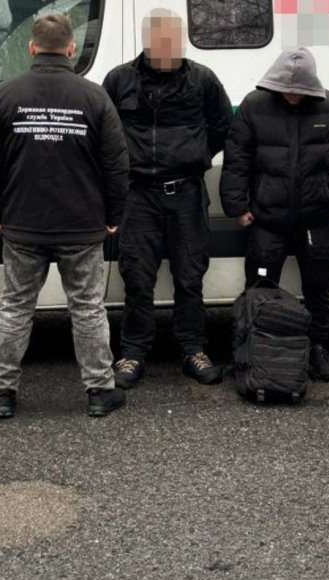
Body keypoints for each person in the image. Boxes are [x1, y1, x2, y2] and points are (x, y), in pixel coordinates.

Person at [0, 13, 130, 420]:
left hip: (22, 224)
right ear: (71, 49)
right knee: (88, 309)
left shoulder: (5, 96)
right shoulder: (94, 97)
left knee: (14, 308)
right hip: (82, 224)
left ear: (31, 48)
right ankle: (100, 391)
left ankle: (2, 393)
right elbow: (116, 163)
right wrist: (114, 214)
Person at [102, 9, 233, 390]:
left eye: (173, 39)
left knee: (190, 277)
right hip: (138, 194)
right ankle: (133, 353)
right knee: (137, 278)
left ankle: (193, 350)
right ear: (146, 41)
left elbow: (223, 126)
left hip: (187, 193)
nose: (166, 46)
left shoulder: (202, 79)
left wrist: (196, 156)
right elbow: (106, 132)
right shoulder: (119, 79)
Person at [220, 48, 329, 382]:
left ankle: (317, 348)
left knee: (319, 291)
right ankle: (253, 350)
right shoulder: (254, 106)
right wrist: (237, 206)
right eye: (288, 89)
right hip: (267, 220)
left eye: (300, 90)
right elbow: (237, 157)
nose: (294, 95)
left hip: (317, 219)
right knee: (259, 289)